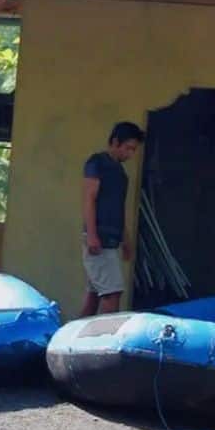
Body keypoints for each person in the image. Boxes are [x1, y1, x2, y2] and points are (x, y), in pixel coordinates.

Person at [80, 121, 145, 317]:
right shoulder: (96, 163)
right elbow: (89, 199)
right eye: (128, 148)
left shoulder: (121, 174)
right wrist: (91, 235)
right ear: (115, 142)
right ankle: (104, 342)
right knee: (112, 294)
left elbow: (118, 209)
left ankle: (71, 342)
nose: (131, 154)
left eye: (134, 150)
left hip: (111, 240)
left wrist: (126, 239)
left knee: (94, 295)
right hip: (98, 238)